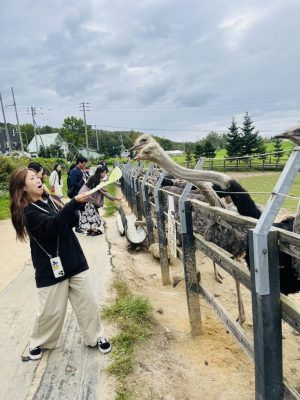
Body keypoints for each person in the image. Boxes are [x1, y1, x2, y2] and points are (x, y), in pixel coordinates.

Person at [9, 167, 111, 360]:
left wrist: (76, 205)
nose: (39, 179)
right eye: (33, 178)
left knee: (88, 303)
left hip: (73, 258)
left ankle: (95, 336)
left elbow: (69, 221)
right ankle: (39, 342)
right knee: (50, 311)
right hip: (50, 266)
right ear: (22, 188)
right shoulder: (27, 212)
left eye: (38, 176)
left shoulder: (50, 200)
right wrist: (73, 203)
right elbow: (51, 228)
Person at [78, 167, 121, 236]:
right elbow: (104, 192)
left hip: (84, 198)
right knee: (93, 215)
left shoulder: (92, 177)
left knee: (87, 215)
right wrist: (115, 198)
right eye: (104, 173)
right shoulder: (97, 181)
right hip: (89, 200)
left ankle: (90, 229)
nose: (105, 174)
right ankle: (94, 230)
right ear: (100, 173)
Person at [67, 156, 88, 233]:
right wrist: (83, 185)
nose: (85, 166)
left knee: (81, 209)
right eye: (84, 164)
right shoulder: (74, 171)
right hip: (76, 193)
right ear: (79, 163)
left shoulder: (80, 170)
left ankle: (81, 225)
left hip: (81, 193)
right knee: (77, 210)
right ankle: (77, 227)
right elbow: (74, 184)